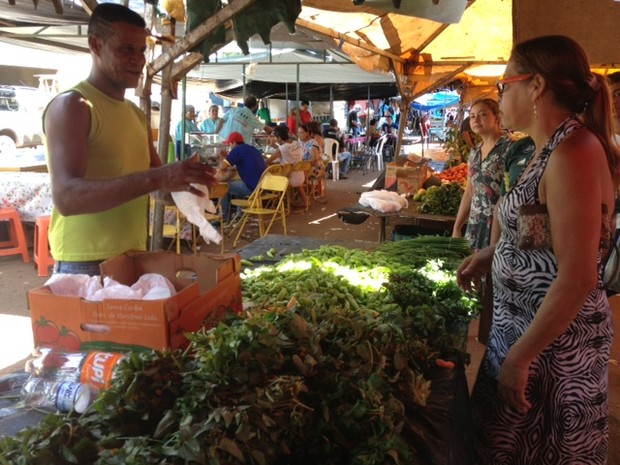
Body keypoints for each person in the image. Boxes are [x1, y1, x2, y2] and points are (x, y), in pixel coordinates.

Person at [460, 35, 618, 464]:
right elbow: (545, 236)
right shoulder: (545, 150)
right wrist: (492, 254)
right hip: (523, 337)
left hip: (552, 351)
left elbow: (579, 274)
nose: (501, 94)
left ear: (537, 86)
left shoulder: (575, 151)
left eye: (504, 84)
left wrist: (520, 357)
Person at [43, 3, 216, 276]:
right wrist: (160, 177)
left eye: (141, 50)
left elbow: (159, 190)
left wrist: (191, 185)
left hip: (133, 257)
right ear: (95, 45)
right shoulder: (74, 105)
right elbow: (67, 197)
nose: (138, 59)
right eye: (126, 49)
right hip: (86, 263)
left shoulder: (136, 115)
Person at [452, 98, 511, 250]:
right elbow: (470, 191)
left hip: (501, 226)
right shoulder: (474, 152)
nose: (476, 120)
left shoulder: (509, 149)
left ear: (497, 117)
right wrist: (457, 227)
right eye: (472, 116)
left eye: (483, 115)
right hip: (475, 225)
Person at [215, 131, 266, 221]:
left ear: (234, 143)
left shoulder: (237, 150)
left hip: (252, 188)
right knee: (239, 183)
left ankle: (222, 217)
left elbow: (222, 166)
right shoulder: (251, 148)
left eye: (230, 144)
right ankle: (240, 214)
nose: (229, 146)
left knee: (222, 186)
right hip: (263, 187)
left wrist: (223, 158)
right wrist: (228, 157)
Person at [266, 124, 309, 209]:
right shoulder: (296, 143)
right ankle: (305, 201)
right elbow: (285, 149)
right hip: (300, 177)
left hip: (288, 179)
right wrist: (274, 146)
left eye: (275, 137)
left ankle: (276, 203)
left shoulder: (282, 149)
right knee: (291, 172)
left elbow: (269, 161)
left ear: (278, 138)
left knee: (270, 174)